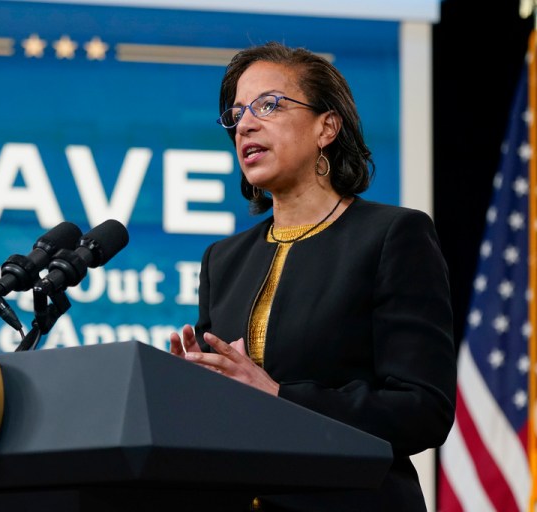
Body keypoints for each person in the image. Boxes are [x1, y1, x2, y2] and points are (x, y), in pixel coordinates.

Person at [169, 42, 456, 511]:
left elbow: (423, 410)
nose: (245, 124)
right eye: (237, 112)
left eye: (269, 105)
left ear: (327, 127)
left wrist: (279, 396)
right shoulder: (223, 259)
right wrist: (191, 386)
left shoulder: (392, 236)